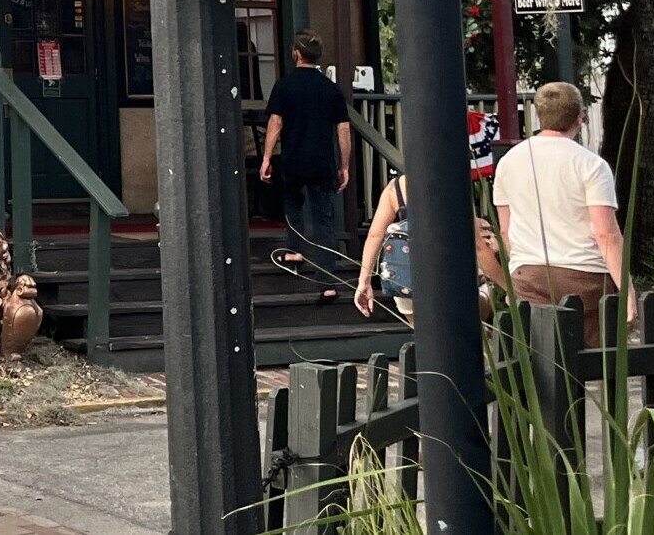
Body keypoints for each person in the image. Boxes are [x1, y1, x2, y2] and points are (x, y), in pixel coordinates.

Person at [493, 81, 627, 348]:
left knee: (538, 362)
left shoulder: (509, 162)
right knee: (592, 362)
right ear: (579, 118)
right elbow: (606, 233)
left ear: (539, 115)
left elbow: (506, 230)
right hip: (585, 276)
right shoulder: (591, 165)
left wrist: (515, 266)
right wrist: (628, 291)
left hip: (528, 273)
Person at [260, 31, 353, 298]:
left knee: (293, 203)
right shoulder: (330, 89)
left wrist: (267, 156)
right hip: (322, 160)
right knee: (323, 218)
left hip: (293, 157)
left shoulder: (285, 85)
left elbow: (276, 123)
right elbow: (343, 129)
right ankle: (327, 282)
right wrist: (343, 164)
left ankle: (294, 251)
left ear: (296, 54)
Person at [354, 168, 513, 321]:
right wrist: (509, 288)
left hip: (407, 282)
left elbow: (375, 235)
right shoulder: (454, 185)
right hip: (451, 281)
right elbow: (478, 248)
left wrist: (364, 281)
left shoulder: (395, 188)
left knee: (424, 342)